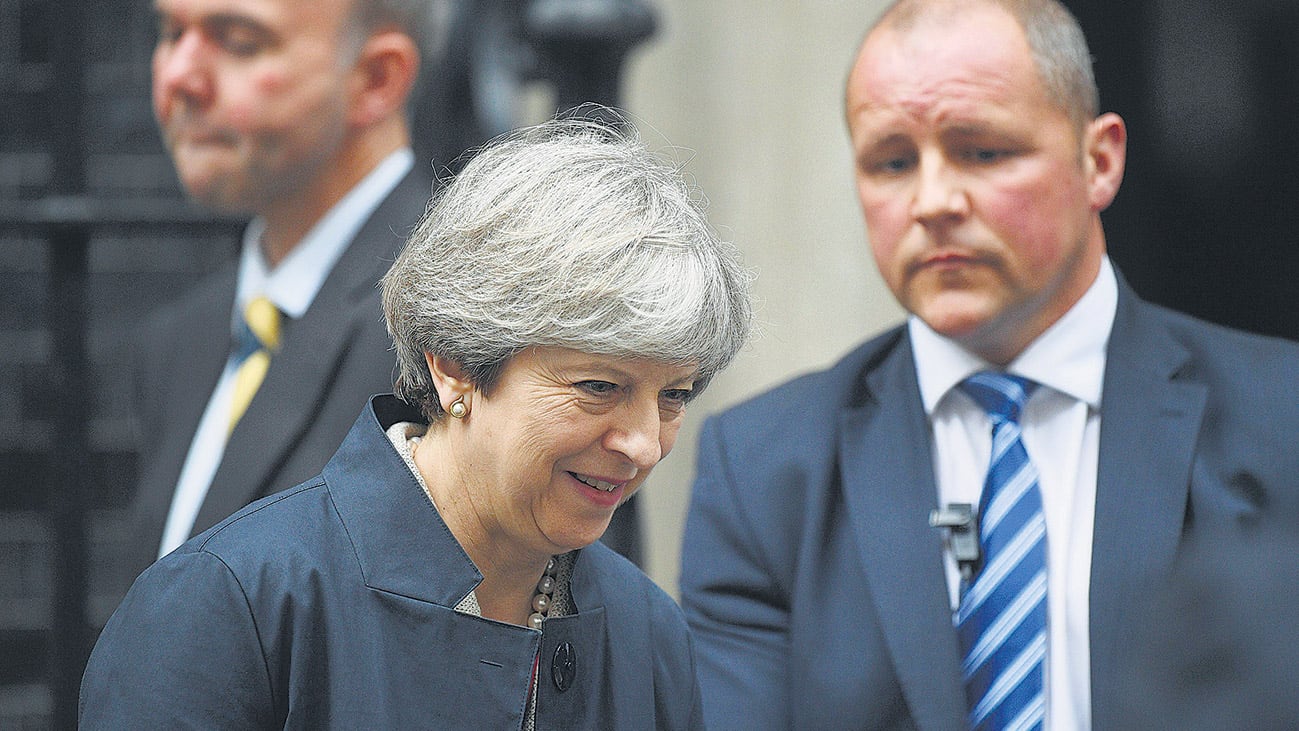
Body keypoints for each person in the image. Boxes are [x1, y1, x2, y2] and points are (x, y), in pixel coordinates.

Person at [678, 0, 1299, 729]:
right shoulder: (762, 471)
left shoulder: (1279, 416)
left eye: (982, 151)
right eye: (892, 162)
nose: (933, 201)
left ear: (1098, 161)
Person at [81, 115, 752, 728]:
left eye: (674, 395)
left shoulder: (648, 634)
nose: (641, 442)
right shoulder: (230, 604)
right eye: (598, 386)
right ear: (455, 364)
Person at [124, 0, 438, 579]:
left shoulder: (461, 331)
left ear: (377, 78)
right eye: (171, 33)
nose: (178, 78)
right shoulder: (183, 337)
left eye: (240, 40)